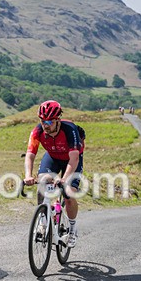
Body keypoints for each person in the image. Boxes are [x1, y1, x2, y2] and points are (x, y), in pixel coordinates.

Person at [24, 100, 84, 247]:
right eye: (43, 121)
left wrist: (64, 179)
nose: (46, 125)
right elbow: (30, 154)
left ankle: (72, 229)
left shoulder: (69, 130)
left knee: (69, 193)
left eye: (50, 121)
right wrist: (28, 175)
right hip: (53, 157)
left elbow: (74, 158)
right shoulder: (37, 131)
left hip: (71, 159)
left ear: (58, 120)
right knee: (42, 183)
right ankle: (43, 222)